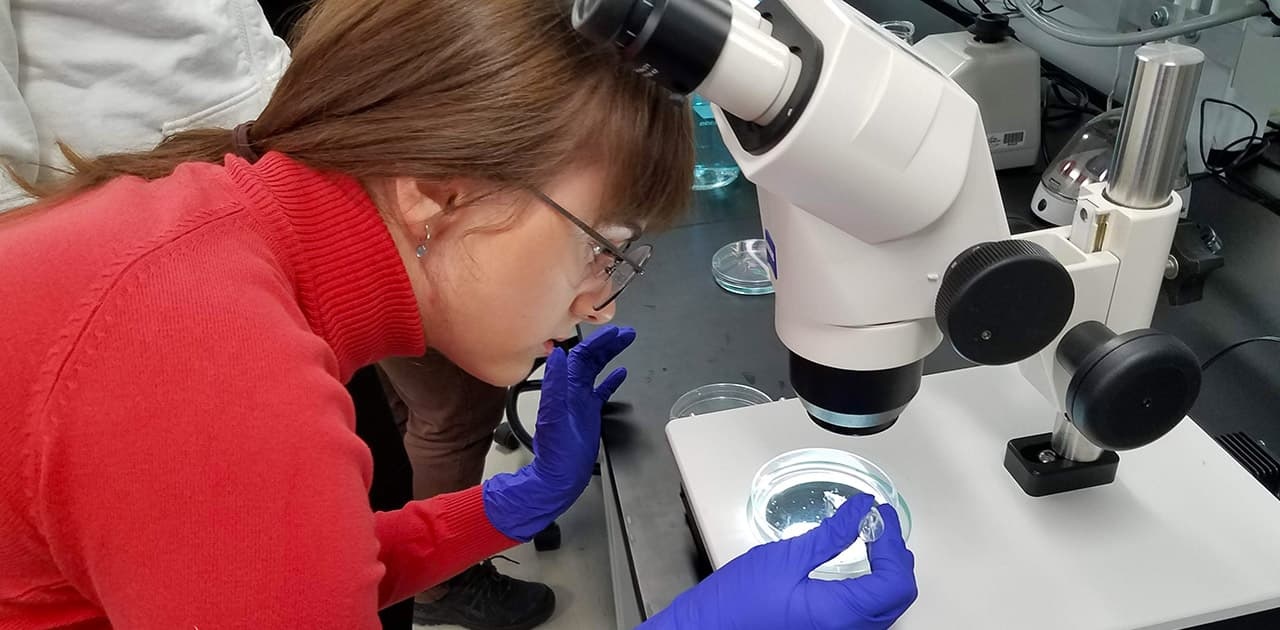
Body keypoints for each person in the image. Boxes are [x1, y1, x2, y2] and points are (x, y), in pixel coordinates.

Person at [0, 1, 918, 629]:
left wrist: (503, 505)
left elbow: (294, 566)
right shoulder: (213, 372)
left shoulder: (220, 240)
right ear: (437, 195)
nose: (601, 300)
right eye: (602, 245)